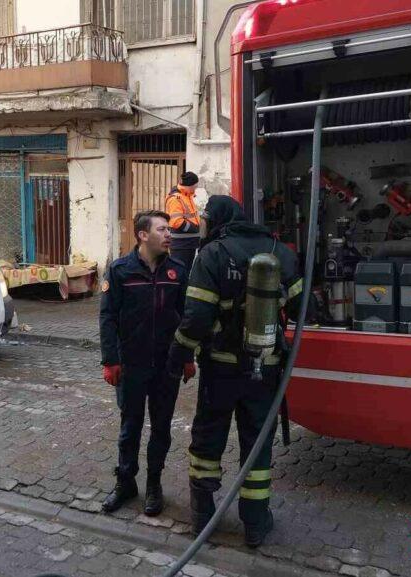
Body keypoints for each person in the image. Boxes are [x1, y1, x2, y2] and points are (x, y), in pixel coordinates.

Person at [165, 195, 303, 548]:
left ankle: (202, 515)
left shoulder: (211, 255)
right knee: (257, 445)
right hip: (266, 369)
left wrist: (177, 354)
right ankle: (256, 524)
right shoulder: (280, 251)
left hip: (221, 368)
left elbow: (196, 318)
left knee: (208, 438)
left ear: (220, 219)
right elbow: (308, 308)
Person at [99, 210, 191, 516]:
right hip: (131, 365)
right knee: (130, 427)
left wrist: (187, 357)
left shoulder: (177, 270)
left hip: (167, 366)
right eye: (162, 230)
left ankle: (154, 484)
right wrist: (111, 361)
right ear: (142, 235)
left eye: (169, 230)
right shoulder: (120, 270)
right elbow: (108, 318)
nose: (169, 235)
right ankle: (125, 483)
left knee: (161, 428)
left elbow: (186, 318)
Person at [165, 171, 202, 273]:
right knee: (179, 272)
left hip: (189, 243)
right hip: (180, 244)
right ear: (189, 186)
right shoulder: (175, 198)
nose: (196, 188)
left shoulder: (187, 196)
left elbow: (191, 216)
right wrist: (194, 228)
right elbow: (176, 221)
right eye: (195, 186)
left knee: (185, 273)